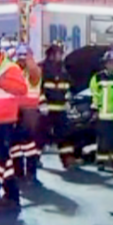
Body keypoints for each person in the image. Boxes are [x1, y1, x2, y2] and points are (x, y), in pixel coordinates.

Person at [0, 38, 28, 209]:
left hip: (4, 121)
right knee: (4, 160)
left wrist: (5, 83)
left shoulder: (9, 68)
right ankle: (12, 196)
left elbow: (22, 89)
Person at [39, 41, 76, 169]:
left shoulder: (63, 70)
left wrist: (68, 98)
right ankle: (35, 159)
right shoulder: (42, 68)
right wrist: (42, 102)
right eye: (58, 53)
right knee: (41, 135)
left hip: (60, 109)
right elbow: (38, 87)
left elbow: (68, 86)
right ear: (51, 54)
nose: (60, 55)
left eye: (61, 53)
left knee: (65, 134)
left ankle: (67, 159)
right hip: (46, 109)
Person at [90, 50, 113, 171]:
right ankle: (101, 161)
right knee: (103, 140)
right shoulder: (97, 78)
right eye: (109, 62)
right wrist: (95, 110)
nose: (111, 65)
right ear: (105, 64)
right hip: (104, 115)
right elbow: (95, 94)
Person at [10, 44, 43, 183]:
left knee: (28, 143)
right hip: (14, 111)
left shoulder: (33, 71)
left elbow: (34, 73)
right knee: (14, 144)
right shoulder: (15, 71)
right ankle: (19, 172)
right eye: (20, 59)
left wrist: (28, 58)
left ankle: (31, 173)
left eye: (24, 58)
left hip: (29, 112)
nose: (22, 61)